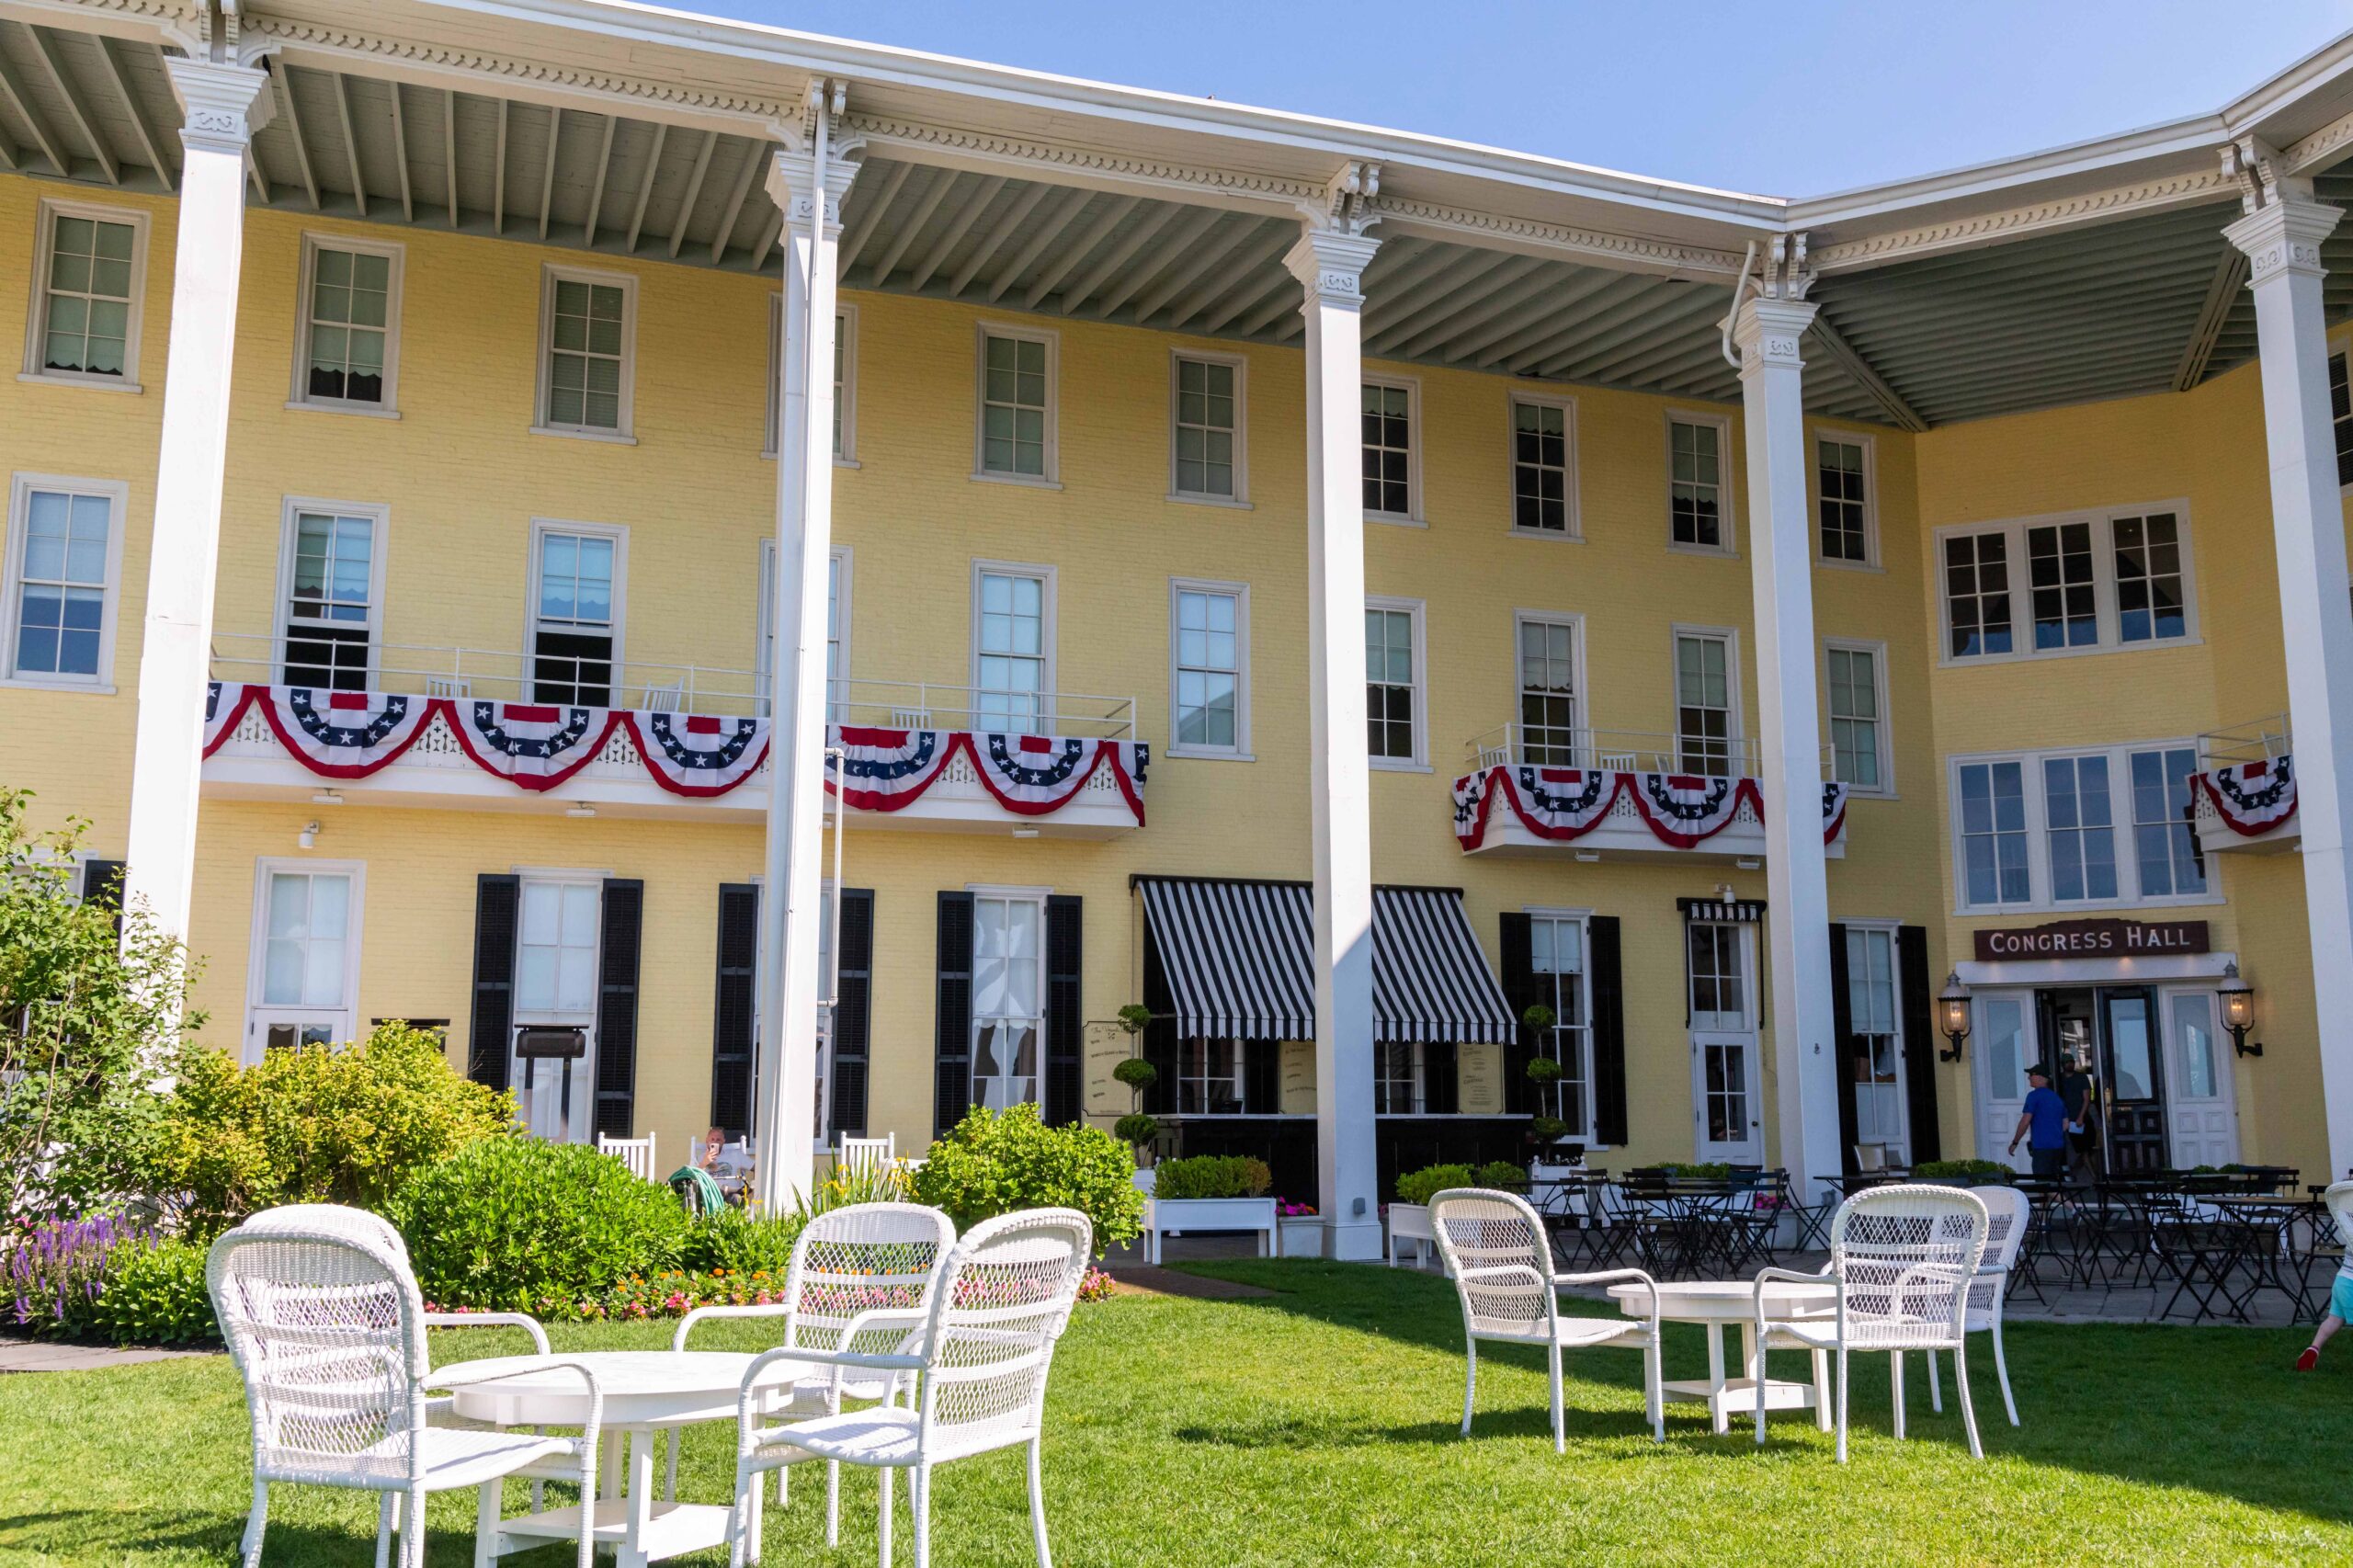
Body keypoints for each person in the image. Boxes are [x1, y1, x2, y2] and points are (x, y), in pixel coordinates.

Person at [2007, 1064, 2069, 1180]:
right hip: (2058, 1147)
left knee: (2042, 1183)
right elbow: (2066, 1124)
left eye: (2032, 1075)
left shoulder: (2034, 1096)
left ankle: (2069, 1200)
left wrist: (2015, 1142)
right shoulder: (2057, 1098)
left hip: (2042, 1147)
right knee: (2052, 1181)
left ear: (2041, 1077)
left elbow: (2025, 1122)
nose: (2029, 1078)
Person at [2061, 1053, 2100, 1185]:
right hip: (2070, 1121)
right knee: (2083, 1151)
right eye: (2067, 1062)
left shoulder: (2081, 1077)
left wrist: (2081, 1116)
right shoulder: (2059, 1080)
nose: (2070, 1064)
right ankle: (2093, 1178)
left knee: (2087, 1150)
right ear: (2063, 1064)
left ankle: (2076, 1173)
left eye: (2071, 1061)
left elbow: (2087, 1099)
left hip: (2083, 1120)